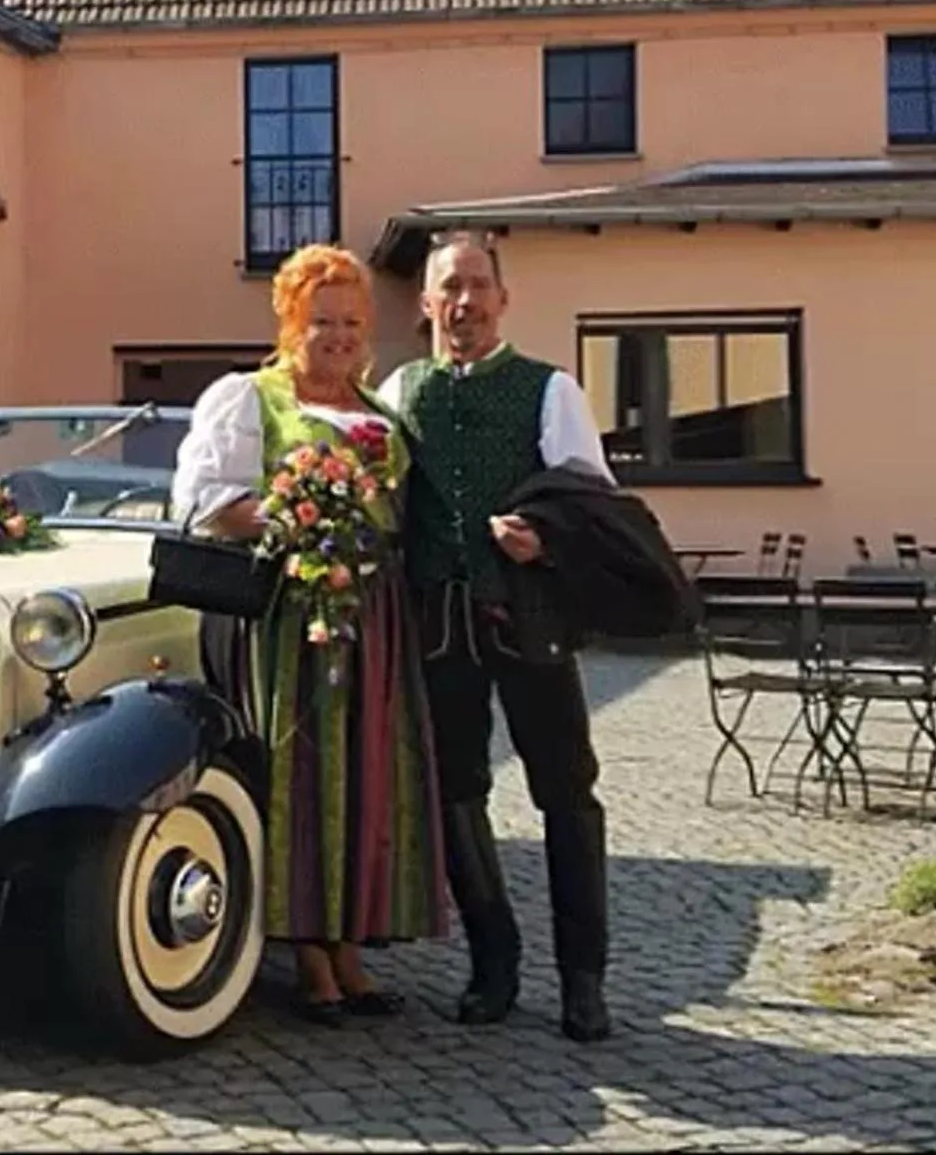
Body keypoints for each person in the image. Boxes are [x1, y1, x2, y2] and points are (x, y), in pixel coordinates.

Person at [170, 243, 449, 1025]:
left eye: (353, 322)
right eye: (322, 319)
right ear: (292, 321)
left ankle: (352, 947)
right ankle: (310, 962)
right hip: (290, 618)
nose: (339, 335)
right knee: (302, 774)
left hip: (376, 619)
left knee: (363, 776)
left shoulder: (380, 410)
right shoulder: (249, 397)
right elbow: (211, 509)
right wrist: (302, 513)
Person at [375, 230, 621, 1043]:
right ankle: (495, 963)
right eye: (450, 288)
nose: (464, 303)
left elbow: (595, 507)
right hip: (437, 624)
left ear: (502, 300)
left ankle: (583, 981)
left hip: (530, 618)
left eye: (478, 287)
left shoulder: (549, 390)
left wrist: (545, 541)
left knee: (566, 794)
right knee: (454, 796)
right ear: (426, 303)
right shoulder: (399, 389)